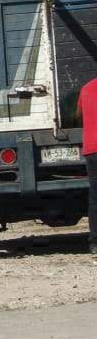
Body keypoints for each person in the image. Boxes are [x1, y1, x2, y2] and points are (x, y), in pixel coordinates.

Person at [80, 78, 97, 253]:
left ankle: (95, 242)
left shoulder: (86, 88)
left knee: (95, 198)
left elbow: (79, 113)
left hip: (91, 149)